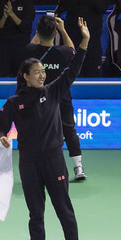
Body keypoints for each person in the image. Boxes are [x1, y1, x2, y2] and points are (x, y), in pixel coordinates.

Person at [0, 19, 90, 240]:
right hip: (28, 162)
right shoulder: (15, 101)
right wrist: (2, 136)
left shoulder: (54, 90)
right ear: (25, 76)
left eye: (43, 72)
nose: (42, 74)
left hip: (52, 160)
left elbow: (73, 69)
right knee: (35, 212)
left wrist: (84, 41)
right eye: (36, 72)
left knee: (62, 207)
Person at [26, 15, 86, 180]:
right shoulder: (64, 52)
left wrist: (40, 31)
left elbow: (32, 44)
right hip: (62, 99)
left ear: (38, 31)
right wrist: (63, 29)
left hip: (40, 101)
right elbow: (73, 51)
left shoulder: (31, 53)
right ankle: (78, 167)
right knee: (69, 131)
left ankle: (39, 169)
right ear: (54, 34)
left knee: (39, 133)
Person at [55, 0, 111, 77]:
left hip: (92, 43)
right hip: (72, 42)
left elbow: (101, 8)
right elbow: (61, 9)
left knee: (91, 75)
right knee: (70, 75)